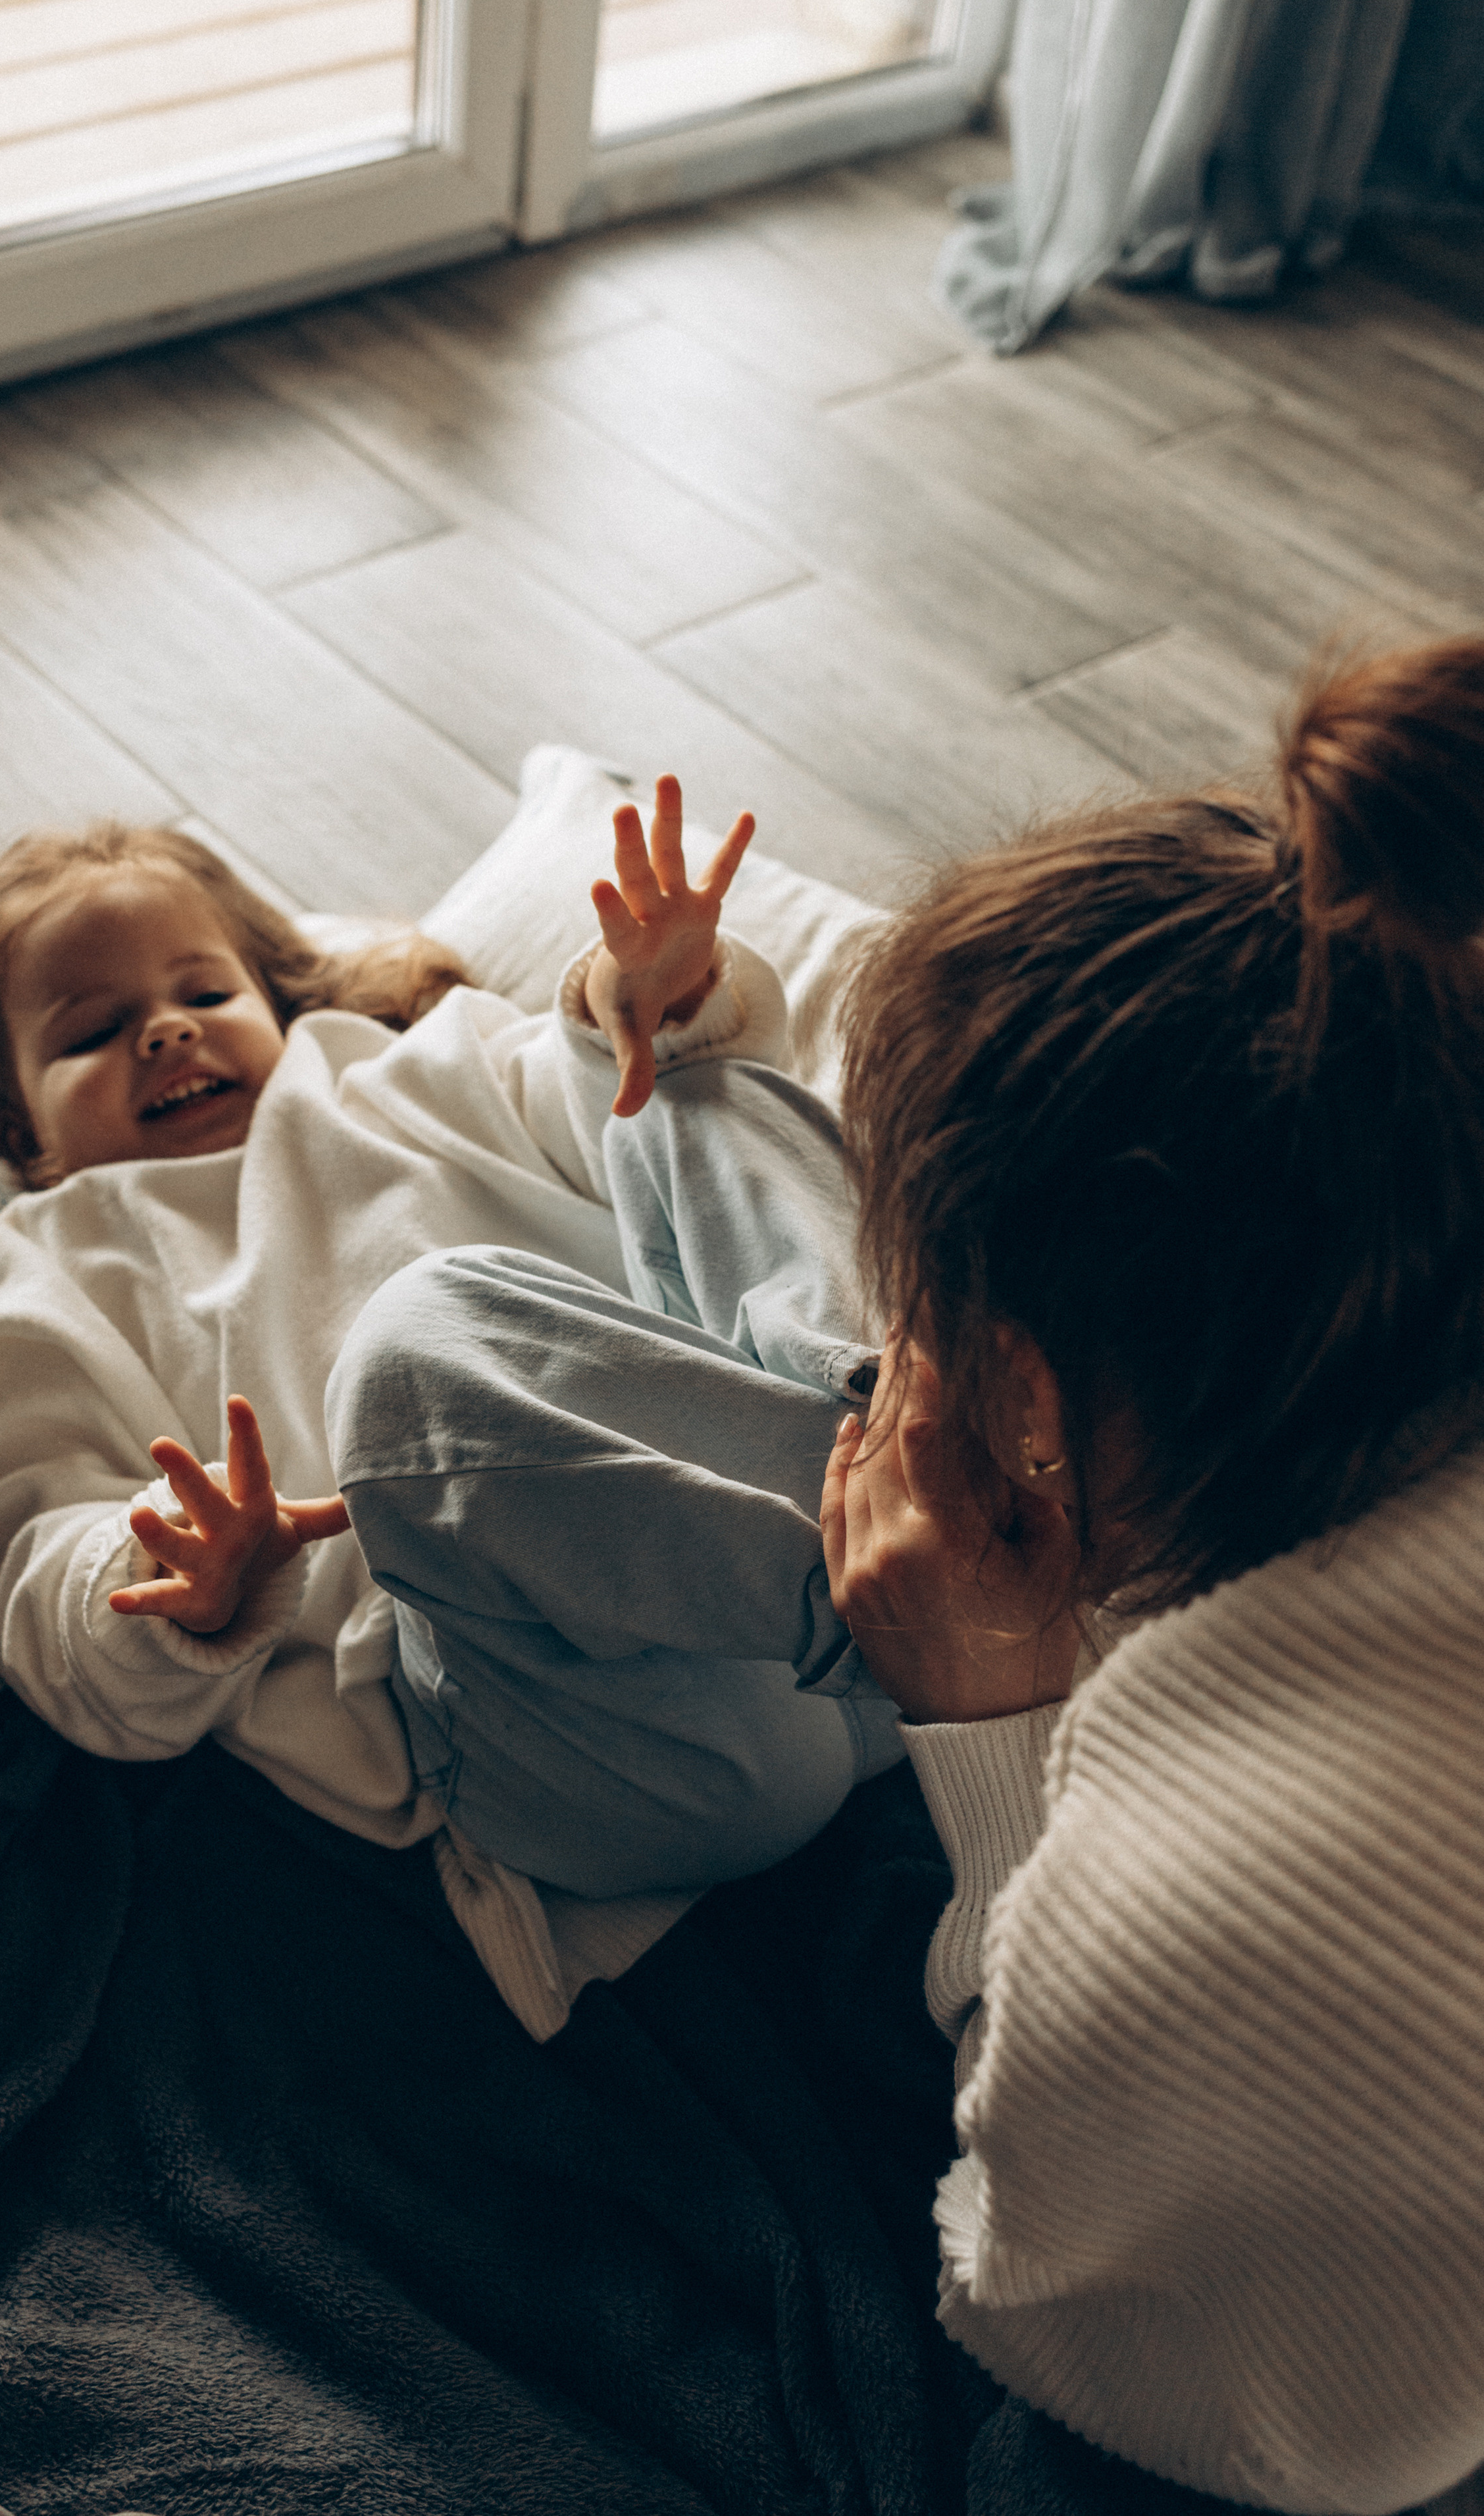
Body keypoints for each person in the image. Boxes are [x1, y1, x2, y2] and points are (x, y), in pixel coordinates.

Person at [315, 637, 1484, 2514]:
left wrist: (981, 1712)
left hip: (764, 1741)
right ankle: (809, 1332)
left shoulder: (1210, 1892)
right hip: (984, 1532)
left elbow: (1042, 2299)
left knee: (418, 1346)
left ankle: (850, 1519)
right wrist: (658, 1037)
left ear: (1029, 1395)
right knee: (754, 1199)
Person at [0, 783, 902, 2037]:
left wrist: (650, 1005)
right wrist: (174, 1579)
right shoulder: (51, 1285)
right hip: (634, 1728)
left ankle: (911, 1450)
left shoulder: (419, 1070)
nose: (166, 1032)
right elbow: (36, 1558)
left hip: (837, 1534)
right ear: (20, 1124)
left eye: (203, 993)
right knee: (407, 1365)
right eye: (95, 1032)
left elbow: (614, 1114)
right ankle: (917, 1563)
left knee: (694, 1091)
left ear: (279, 997)